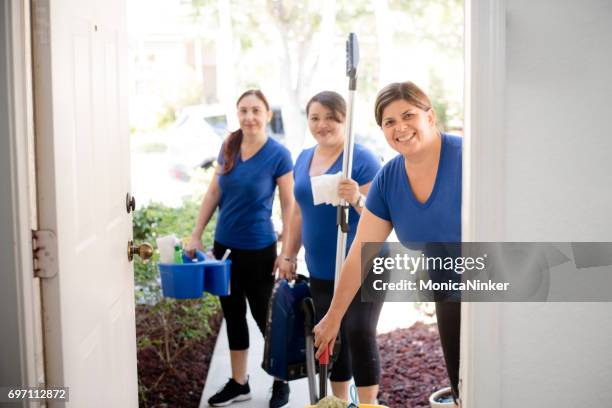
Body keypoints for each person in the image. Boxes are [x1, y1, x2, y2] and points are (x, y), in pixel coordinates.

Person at [312, 82, 462, 405]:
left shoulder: (467, 160)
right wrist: (334, 316)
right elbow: (360, 252)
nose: (400, 128)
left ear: (430, 116)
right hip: (448, 294)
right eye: (389, 122)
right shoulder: (388, 180)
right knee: (464, 387)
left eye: (408, 115)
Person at [185, 89, 295, 408]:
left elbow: (289, 206)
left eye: (256, 110)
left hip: (259, 251)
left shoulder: (278, 154)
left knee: (265, 319)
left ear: (267, 115)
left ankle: (281, 381)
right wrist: (196, 234)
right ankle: (239, 383)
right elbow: (213, 193)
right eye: (243, 110)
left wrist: (287, 252)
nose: (249, 117)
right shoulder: (230, 144)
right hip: (224, 249)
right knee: (232, 315)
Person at [277, 91, 383, 403]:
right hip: (322, 268)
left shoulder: (361, 159)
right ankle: (339, 401)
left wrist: (356, 199)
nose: (322, 124)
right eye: (315, 117)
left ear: (345, 121)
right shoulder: (303, 157)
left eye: (330, 117)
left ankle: (367, 403)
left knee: (359, 332)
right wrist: (288, 253)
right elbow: (297, 211)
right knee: (330, 336)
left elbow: (379, 217)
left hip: (364, 265)